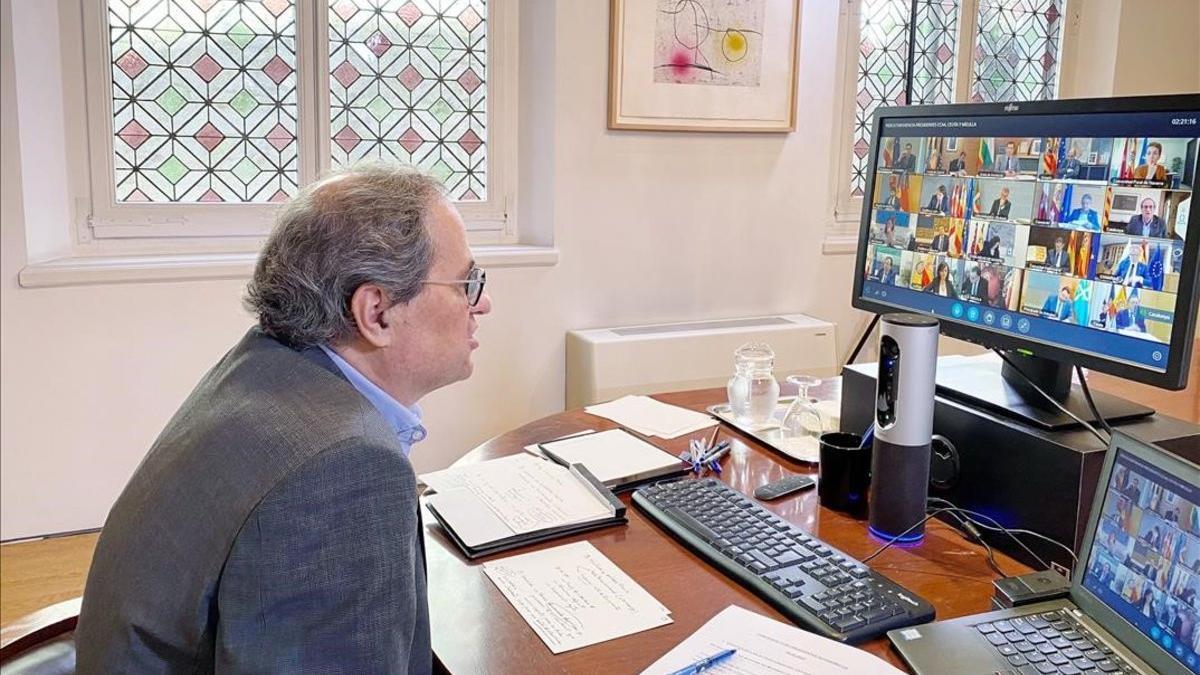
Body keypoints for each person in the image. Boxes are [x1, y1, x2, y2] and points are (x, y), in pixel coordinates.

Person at [76, 163, 493, 672]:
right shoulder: (345, 468)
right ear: (377, 312)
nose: (483, 303)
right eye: (467, 282)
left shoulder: (266, 363)